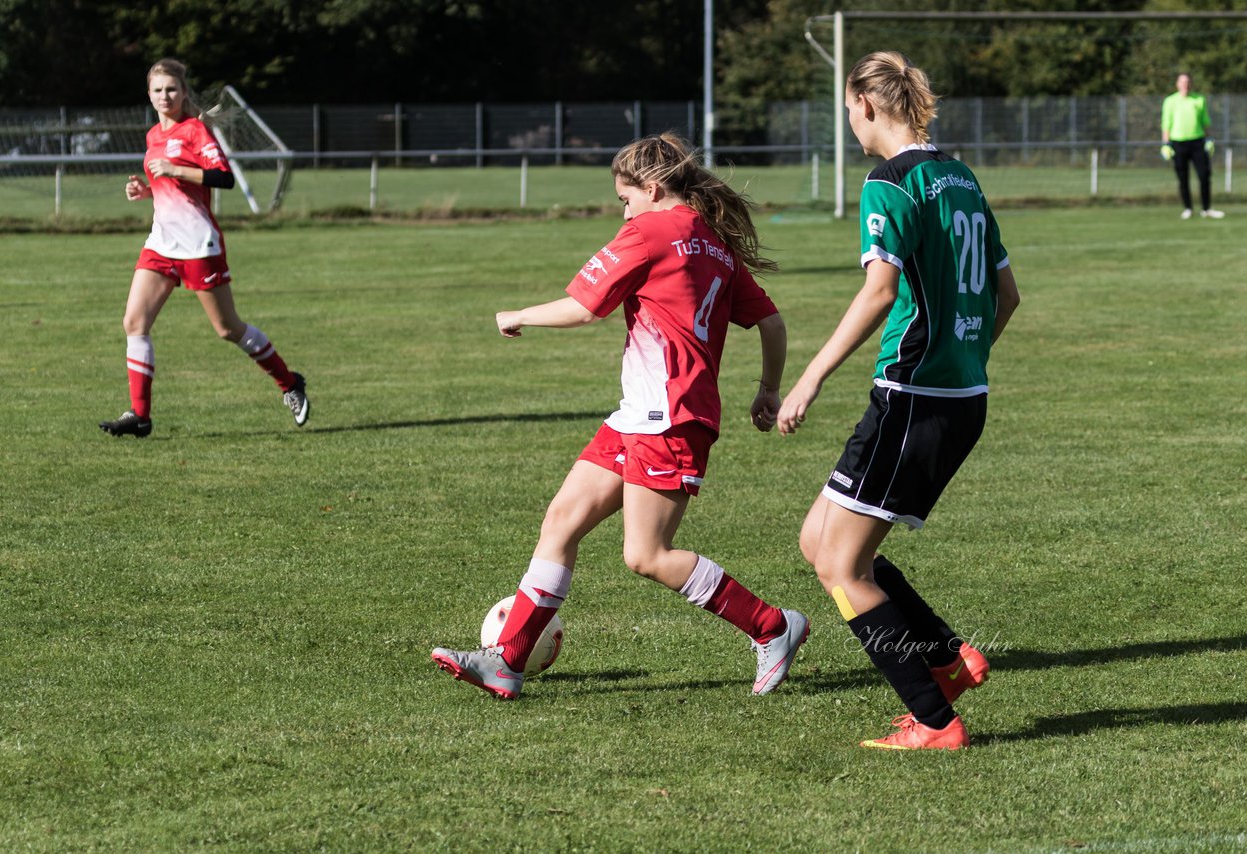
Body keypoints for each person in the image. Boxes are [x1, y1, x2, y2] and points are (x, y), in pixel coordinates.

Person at [432, 133, 809, 700]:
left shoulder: (649, 230)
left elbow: (586, 307)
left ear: (651, 189)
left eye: (624, 198)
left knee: (647, 554)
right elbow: (773, 324)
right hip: (642, 413)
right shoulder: (712, 243)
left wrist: (518, 315)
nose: (623, 210)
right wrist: (768, 391)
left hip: (670, 417)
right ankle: (507, 662)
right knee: (562, 520)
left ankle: (773, 626)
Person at [776, 52, 1021, 750]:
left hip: (914, 398)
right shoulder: (960, 176)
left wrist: (810, 376)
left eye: (847, 108)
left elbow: (880, 290)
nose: (848, 122)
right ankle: (947, 659)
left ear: (866, 106)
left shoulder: (890, 183)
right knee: (817, 540)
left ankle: (935, 719)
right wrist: (965, 361)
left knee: (842, 567)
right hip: (953, 394)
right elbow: (1007, 296)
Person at [99, 58, 309, 438]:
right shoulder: (152, 136)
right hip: (161, 243)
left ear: (183, 93)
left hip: (198, 246)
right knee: (134, 323)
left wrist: (176, 169)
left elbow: (223, 178)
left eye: (172, 89)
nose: (165, 96)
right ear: (149, 95)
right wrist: (145, 189)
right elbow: (170, 188)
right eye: (158, 90)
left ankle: (290, 383)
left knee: (228, 329)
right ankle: (140, 415)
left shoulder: (194, 131)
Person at [1160, 72, 1224, 220]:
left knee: (1204, 175)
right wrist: (1165, 144)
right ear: (1177, 84)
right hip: (1178, 143)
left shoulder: (1199, 99)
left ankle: (1206, 208)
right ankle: (1188, 208)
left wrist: (1209, 139)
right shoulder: (1170, 101)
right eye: (1182, 82)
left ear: (1191, 83)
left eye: (1187, 82)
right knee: (1183, 178)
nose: (1185, 85)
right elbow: (1166, 123)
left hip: (1197, 142)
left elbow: (1205, 121)